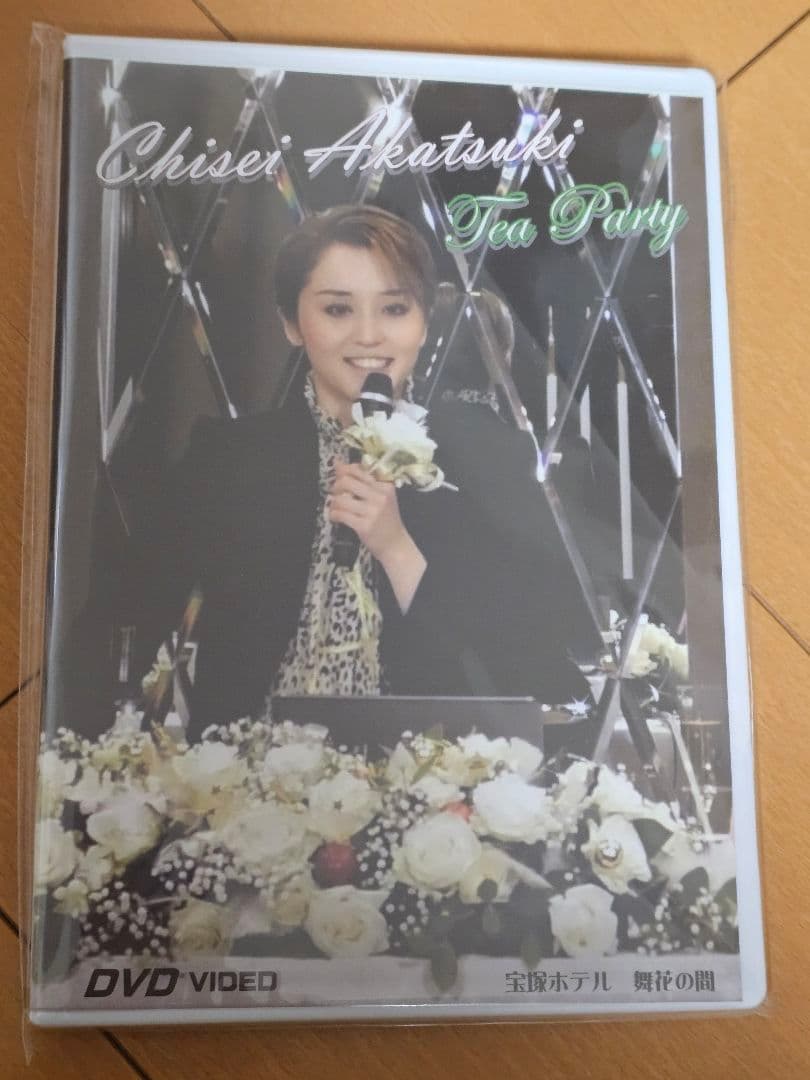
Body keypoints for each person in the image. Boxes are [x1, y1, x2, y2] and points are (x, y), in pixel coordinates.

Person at [149, 205, 598, 738]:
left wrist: (397, 548)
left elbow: (545, 676)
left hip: (426, 777)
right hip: (250, 776)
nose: (368, 336)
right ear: (291, 323)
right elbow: (124, 622)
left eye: (394, 309)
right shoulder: (229, 458)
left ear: (423, 323)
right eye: (338, 309)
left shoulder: (492, 466)